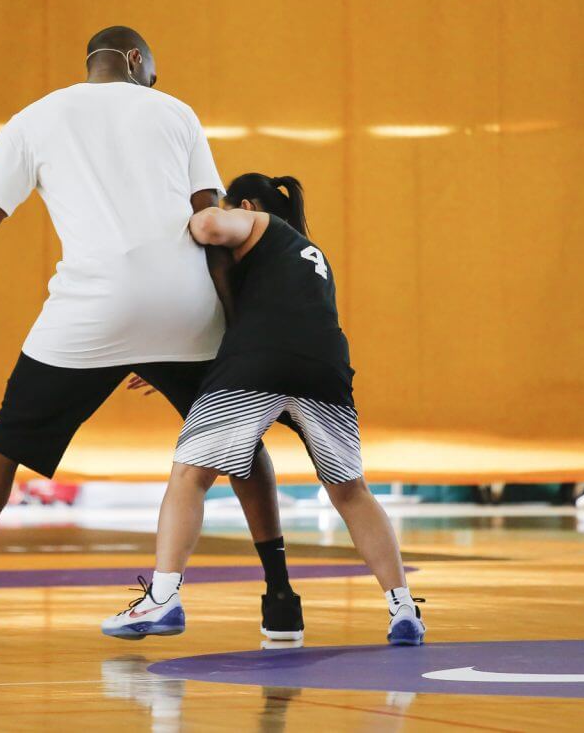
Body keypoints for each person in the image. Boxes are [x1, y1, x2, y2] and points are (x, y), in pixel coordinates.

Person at [0, 26, 299, 649]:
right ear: (137, 61)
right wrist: (232, 334)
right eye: (152, 75)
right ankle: (281, 602)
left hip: (93, 310)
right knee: (239, 443)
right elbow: (214, 231)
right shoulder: (176, 113)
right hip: (185, 305)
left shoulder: (34, 120)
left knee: (3, 446)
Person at [100, 174, 427, 646]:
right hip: (326, 367)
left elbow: (209, 225)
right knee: (352, 492)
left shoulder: (257, 222)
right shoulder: (310, 254)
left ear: (247, 205)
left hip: (259, 362)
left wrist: (184, 212)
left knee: (190, 476)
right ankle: (403, 608)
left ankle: (163, 597)